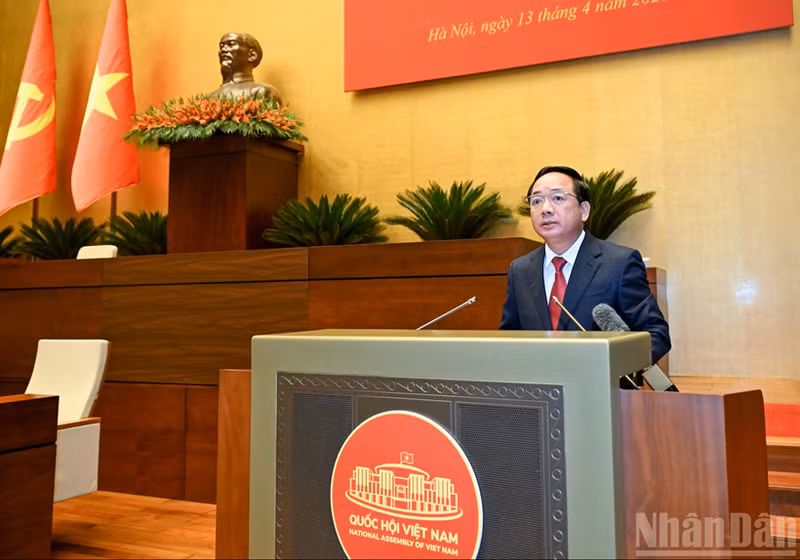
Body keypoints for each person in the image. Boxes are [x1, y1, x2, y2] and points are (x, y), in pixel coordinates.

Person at [499, 165, 670, 365]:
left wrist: (612, 367)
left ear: (584, 210)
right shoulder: (520, 270)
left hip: (601, 389)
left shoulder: (619, 263)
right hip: (541, 390)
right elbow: (509, 337)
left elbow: (656, 335)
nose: (545, 209)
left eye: (558, 198)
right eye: (536, 201)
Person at [209, 32, 283, 105]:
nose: (223, 50)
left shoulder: (261, 92)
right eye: (221, 46)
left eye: (231, 44)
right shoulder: (209, 98)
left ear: (252, 55)